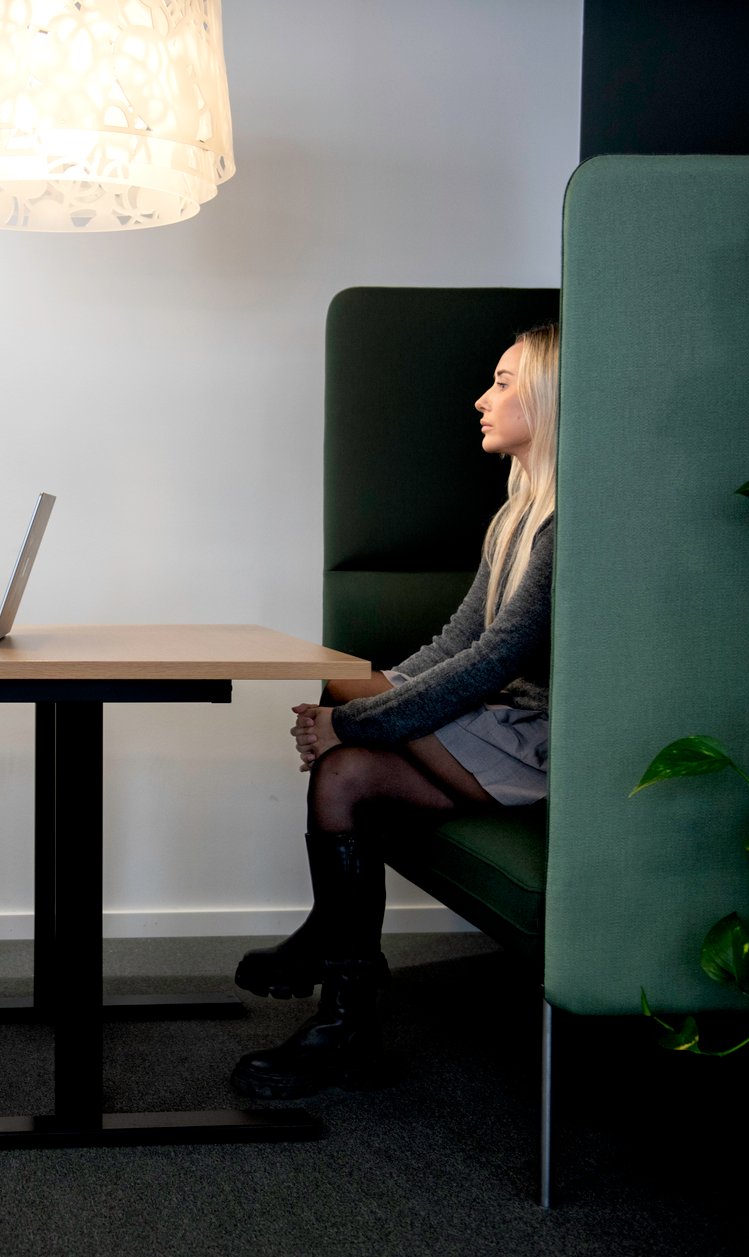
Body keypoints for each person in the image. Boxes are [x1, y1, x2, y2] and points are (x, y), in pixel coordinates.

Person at [231, 323, 559, 1100]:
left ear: (549, 399)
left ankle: (327, 939)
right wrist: (363, 696)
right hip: (490, 737)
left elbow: (491, 662)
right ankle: (346, 1018)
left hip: (533, 749)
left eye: (503, 382)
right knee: (342, 759)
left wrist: (354, 718)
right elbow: (456, 640)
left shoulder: (563, 525)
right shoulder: (513, 517)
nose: (482, 399)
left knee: (348, 715)